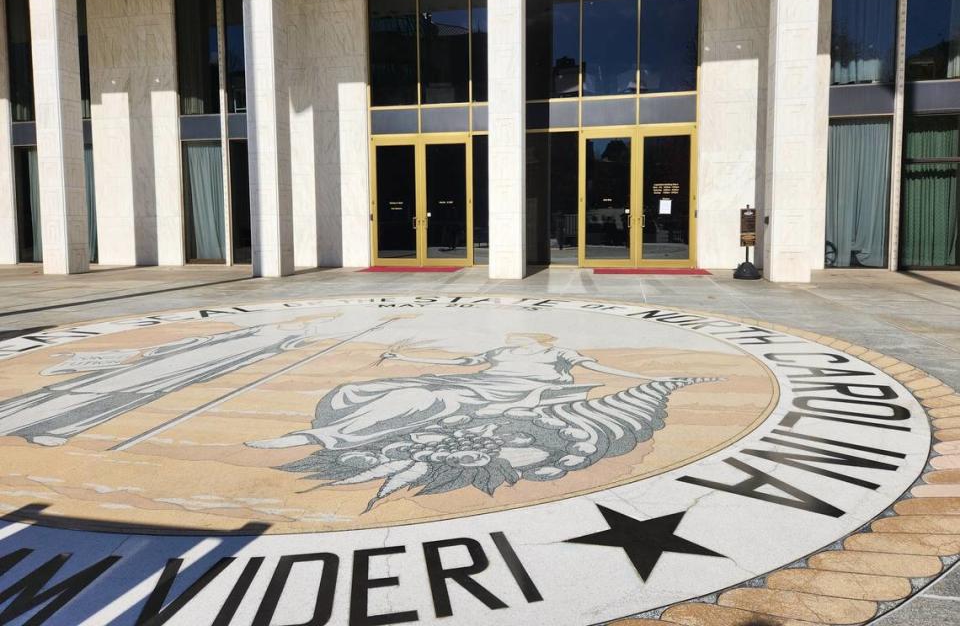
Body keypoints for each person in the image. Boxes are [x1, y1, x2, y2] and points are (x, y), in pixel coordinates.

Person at [249, 332, 666, 452]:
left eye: (527, 336)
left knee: (422, 400)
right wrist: (403, 361)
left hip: (514, 393)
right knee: (362, 388)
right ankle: (335, 423)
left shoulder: (561, 352)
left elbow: (599, 368)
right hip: (479, 382)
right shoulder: (502, 349)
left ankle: (323, 438)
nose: (520, 339)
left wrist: (639, 376)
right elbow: (461, 365)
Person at [0, 314, 343, 446]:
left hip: (189, 370)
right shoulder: (260, 330)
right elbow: (200, 341)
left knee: (140, 396)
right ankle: (19, 417)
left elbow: (260, 354)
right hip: (173, 362)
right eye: (305, 323)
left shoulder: (280, 340)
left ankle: (60, 429)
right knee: (89, 388)